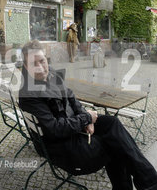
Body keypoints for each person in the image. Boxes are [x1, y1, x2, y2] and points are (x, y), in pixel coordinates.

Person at [19, 39, 157, 190]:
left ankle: (150, 181)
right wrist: (86, 118)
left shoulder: (51, 73)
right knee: (116, 144)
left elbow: (71, 96)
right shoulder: (28, 94)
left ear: (46, 59)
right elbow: (54, 129)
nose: (40, 67)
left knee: (112, 123)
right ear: (26, 66)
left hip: (73, 129)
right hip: (65, 149)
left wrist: (86, 117)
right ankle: (149, 183)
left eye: (42, 61)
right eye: (34, 64)